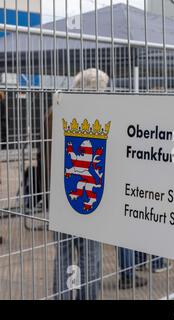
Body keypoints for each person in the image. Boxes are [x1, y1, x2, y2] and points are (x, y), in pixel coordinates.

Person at [53, 69, 109, 299]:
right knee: (90, 256)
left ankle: (62, 296)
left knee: (63, 256)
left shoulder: (56, 112)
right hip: (90, 195)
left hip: (60, 196)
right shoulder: (103, 116)